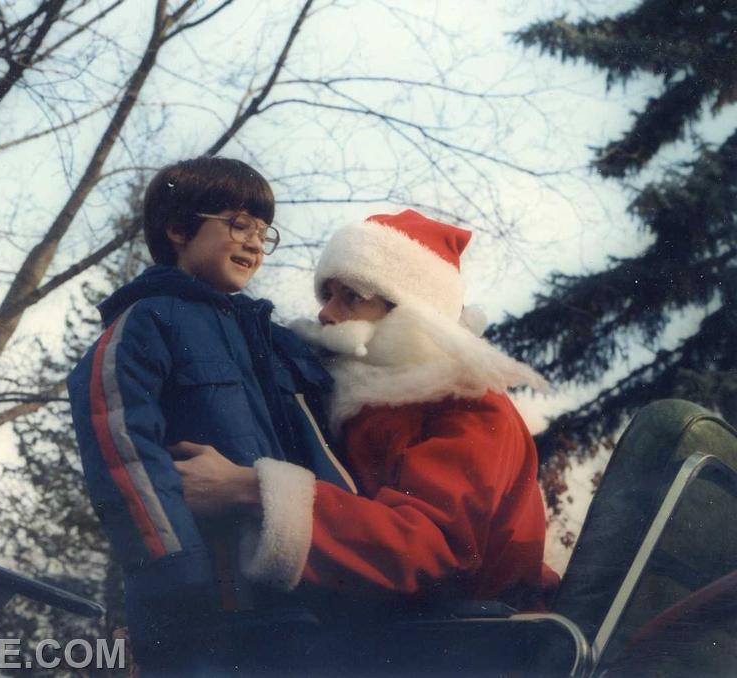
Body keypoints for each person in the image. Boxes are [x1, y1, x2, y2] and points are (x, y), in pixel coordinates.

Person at [172, 210, 560, 666]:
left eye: (352, 297)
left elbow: (429, 550)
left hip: (473, 649)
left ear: (412, 315)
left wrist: (250, 490)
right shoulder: (358, 404)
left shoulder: (466, 403)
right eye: (327, 294)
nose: (326, 313)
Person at [67, 156, 355, 674]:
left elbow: (321, 437)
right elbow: (121, 446)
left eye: (264, 232)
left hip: (294, 592)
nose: (253, 243)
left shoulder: (271, 339)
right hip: (202, 600)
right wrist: (175, 568)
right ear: (179, 229)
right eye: (239, 225)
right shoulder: (146, 322)